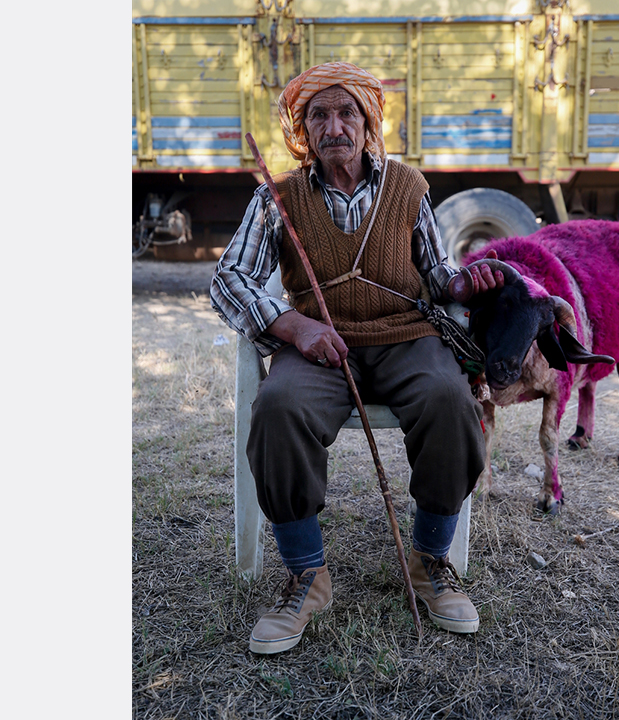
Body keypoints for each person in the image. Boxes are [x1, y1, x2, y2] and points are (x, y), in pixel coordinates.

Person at [210, 62, 504, 655]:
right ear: (304, 129)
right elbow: (229, 279)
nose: (334, 125)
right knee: (280, 406)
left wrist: (464, 286)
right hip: (320, 342)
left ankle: (429, 561)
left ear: (369, 122)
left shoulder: (408, 188)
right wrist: (291, 324)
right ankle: (305, 575)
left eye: (348, 112)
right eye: (318, 114)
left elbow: (437, 273)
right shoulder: (278, 199)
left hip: (404, 335)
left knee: (450, 401)